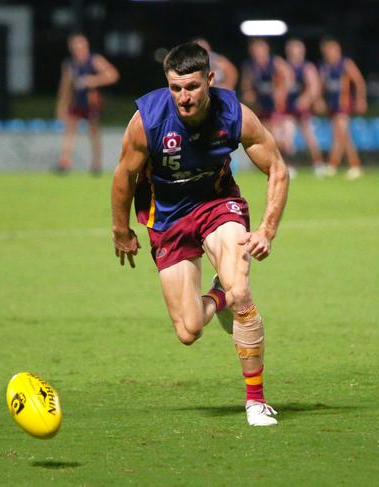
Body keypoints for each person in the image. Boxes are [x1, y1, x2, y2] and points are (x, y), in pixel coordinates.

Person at [111, 42, 289, 426]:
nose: (183, 97)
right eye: (175, 88)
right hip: (168, 220)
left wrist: (267, 231)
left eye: (191, 87)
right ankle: (220, 294)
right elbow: (124, 175)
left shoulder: (234, 114)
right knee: (189, 330)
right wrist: (120, 228)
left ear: (210, 80)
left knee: (242, 291)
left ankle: (256, 401)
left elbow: (277, 167)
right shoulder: (149, 120)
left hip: (216, 206)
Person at [56, 33, 119, 174]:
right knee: (69, 130)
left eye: (81, 45)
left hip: (92, 102)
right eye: (76, 46)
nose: (79, 49)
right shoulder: (70, 64)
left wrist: (93, 80)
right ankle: (65, 161)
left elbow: (113, 75)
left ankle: (96, 164)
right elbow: (65, 86)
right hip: (76, 101)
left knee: (94, 132)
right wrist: (61, 105)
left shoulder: (95, 60)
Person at [240, 38, 295, 176]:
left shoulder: (275, 62)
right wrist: (248, 94)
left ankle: (287, 165)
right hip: (261, 108)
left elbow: (289, 76)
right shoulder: (250, 66)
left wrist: (281, 91)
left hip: (277, 107)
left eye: (260, 49)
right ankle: (269, 165)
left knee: (279, 137)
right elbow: (246, 85)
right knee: (265, 138)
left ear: (266, 50)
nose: (258, 53)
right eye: (255, 50)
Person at [318, 37, 367, 180]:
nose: (329, 53)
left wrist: (360, 99)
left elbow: (359, 81)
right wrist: (321, 100)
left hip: (344, 104)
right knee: (342, 136)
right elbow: (322, 86)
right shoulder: (325, 67)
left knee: (341, 134)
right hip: (332, 105)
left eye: (331, 49)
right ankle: (349, 166)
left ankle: (339, 165)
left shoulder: (345, 64)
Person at [284, 38, 325, 176]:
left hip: (304, 110)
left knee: (310, 138)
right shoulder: (284, 67)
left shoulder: (307, 68)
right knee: (287, 138)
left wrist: (305, 99)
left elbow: (314, 87)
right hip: (288, 109)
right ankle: (290, 165)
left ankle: (318, 164)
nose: (295, 53)